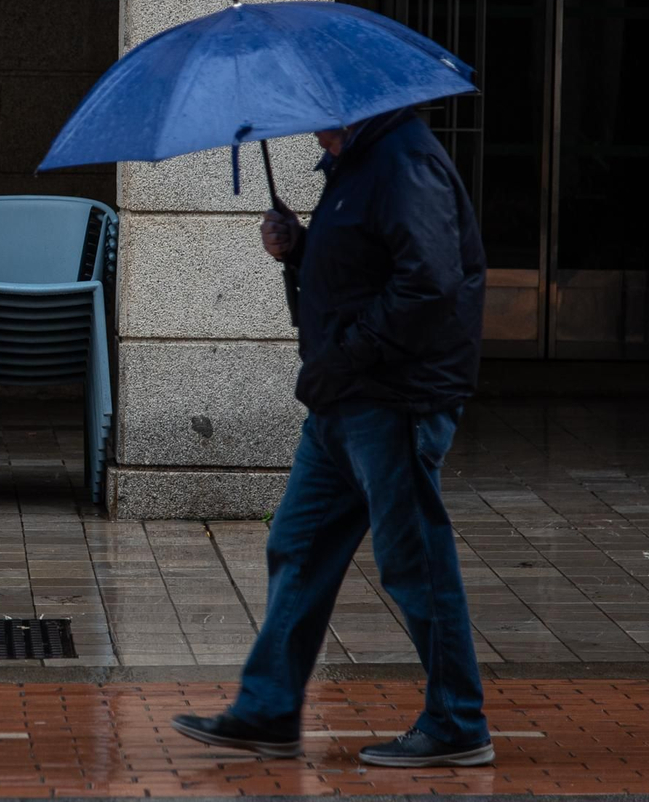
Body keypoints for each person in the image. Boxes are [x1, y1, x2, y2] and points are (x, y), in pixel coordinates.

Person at [171, 106, 492, 768]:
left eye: (317, 111)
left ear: (357, 102)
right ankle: (267, 711)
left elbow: (429, 283)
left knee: (414, 562)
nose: (307, 126)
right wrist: (300, 248)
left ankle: (459, 723)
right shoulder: (356, 164)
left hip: (390, 398)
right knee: (299, 545)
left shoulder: (404, 162)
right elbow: (358, 269)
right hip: (341, 400)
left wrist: (346, 354)